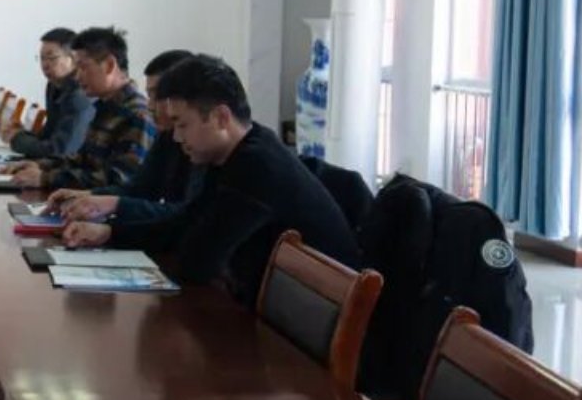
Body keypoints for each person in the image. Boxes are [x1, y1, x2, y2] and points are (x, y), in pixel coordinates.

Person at [63, 55, 362, 300]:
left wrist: (130, 234)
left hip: (297, 333)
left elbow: (198, 260)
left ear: (221, 117)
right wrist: (109, 234)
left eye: (182, 125)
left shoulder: (256, 165)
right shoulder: (233, 151)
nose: (176, 138)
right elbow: (185, 221)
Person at [50, 49, 197, 225]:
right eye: (150, 95)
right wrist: (89, 196)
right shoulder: (167, 134)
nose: (150, 106)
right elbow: (140, 188)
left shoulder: (138, 115)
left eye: (158, 96)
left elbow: (188, 214)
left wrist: (113, 206)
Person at [3, 26, 153, 191]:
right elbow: (81, 159)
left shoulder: (136, 115)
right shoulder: (104, 106)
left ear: (109, 65)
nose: (78, 76)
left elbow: (118, 180)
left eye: (83, 67)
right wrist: (40, 165)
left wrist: (46, 178)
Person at [2, 28, 95, 158]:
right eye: (42, 58)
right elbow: (48, 135)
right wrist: (21, 134)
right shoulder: (53, 86)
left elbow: (60, 152)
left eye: (51, 58)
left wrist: (17, 139)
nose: (45, 65)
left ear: (73, 59)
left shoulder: (79, 96)